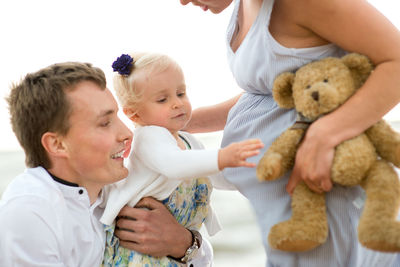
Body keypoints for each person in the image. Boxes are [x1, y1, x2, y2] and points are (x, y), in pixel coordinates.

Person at [168, 0, 400, 266]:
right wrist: (181, 122)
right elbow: (268, 89)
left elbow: (397, 61)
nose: (183, 1)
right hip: (291, 222)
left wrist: (324, 134)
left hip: (335, 213)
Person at [0, 62, 213, 266]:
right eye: (104, 123)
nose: (127, 133)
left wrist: (182, 243)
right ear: (57, 144)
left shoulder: (120, 190)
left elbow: (202, 259)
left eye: (118, 117)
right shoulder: (30, 212)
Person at [100, 52, 264, 267]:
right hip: (138, 255)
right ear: (135, 115)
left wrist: (254, 173)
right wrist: (223, 156)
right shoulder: (148, 138)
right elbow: (174, 164)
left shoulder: (187, 141)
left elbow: (216, 176)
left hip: (168, 254)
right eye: (162, 99)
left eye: (181, 93)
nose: (177, 103)